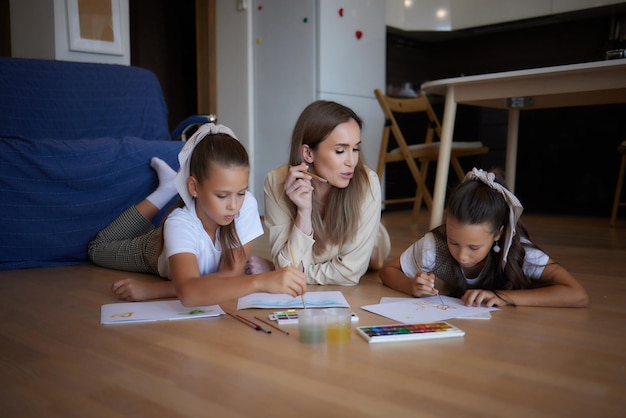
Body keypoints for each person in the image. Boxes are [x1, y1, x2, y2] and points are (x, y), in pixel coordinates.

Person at [88, 123, 306, 306]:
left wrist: (183, 286)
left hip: (188, 227)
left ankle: (171, 188)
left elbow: (229, 274)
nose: (233, 206)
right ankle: (165, 191)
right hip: (152, 250)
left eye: (240, 192)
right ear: (193, 187)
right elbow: (190, 293)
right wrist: (260, 282)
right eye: (222, 195)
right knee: (97, 249)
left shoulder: (245, 204)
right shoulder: (178, 224)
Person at [379, 168, 589, 308]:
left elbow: (577, 294)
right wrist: (410, 287)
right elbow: (387, 270)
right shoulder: (434, 245)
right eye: (454, 242)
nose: (462, 255)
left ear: (499, 233)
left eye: (474, 247)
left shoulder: (519, 252)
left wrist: (503, 297)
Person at [247, 100, 390, 285]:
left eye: (355, 149)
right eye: (340, 151)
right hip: (318, 256)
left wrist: (280, 270)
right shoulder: (276, 182)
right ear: (307, 153)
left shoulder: (367, 183)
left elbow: (349, 273)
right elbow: (288, 268)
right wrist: (304, 213)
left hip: (373, 245)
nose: (352, 161)